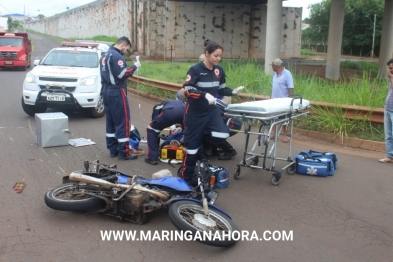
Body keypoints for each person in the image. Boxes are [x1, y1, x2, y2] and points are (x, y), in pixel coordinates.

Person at [178, 39, 244, 185]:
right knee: (191, 150)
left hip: (211, 111)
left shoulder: (219, 70)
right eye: (216, 55)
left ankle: (205, 141)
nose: (218, 59)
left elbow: (221, 89)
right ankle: (185, 180)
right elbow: (187, 91)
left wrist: (232, 91)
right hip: (195, 113)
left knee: (222, 133)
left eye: (220, 56)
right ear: (207, 54)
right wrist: (203, 95)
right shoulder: (195, 70)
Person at [100, 36, 141, 160]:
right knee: (123, 122)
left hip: (106, 91)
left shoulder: (104, 55)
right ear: (123, 45)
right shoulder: (117, 56)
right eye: (127, 49)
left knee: (110, 121)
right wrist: (134, 67)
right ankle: (124, 152)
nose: (126, 51)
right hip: (116, 91)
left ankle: (113, 149)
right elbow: (123, 74)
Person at [145, 99, 186, 165]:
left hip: (169, 113)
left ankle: (152, 157)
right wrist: (183, 129)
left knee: (151, 129)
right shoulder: (179, 102)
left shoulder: (158, 107)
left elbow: (154, 122)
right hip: (184, 112)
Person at [270, 58, 294, 143]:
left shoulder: (287, 74)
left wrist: (290, 100)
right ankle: (273, 133)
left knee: (284, 119)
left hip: (283, 101)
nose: (272, 67)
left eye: (272, 66)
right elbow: (274, 88)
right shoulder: (275, 74)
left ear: (276, 66)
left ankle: (285, 136)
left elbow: (290, 87)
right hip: (274, 100)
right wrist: (270, 98)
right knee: (273, 117)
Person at [379, 58, 393, 163]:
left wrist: (391, 78)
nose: (390, 70)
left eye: (392, 68)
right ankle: (389, 156)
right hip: (388, 108)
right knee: (388, 135)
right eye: (389, 68)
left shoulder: (391, 78)